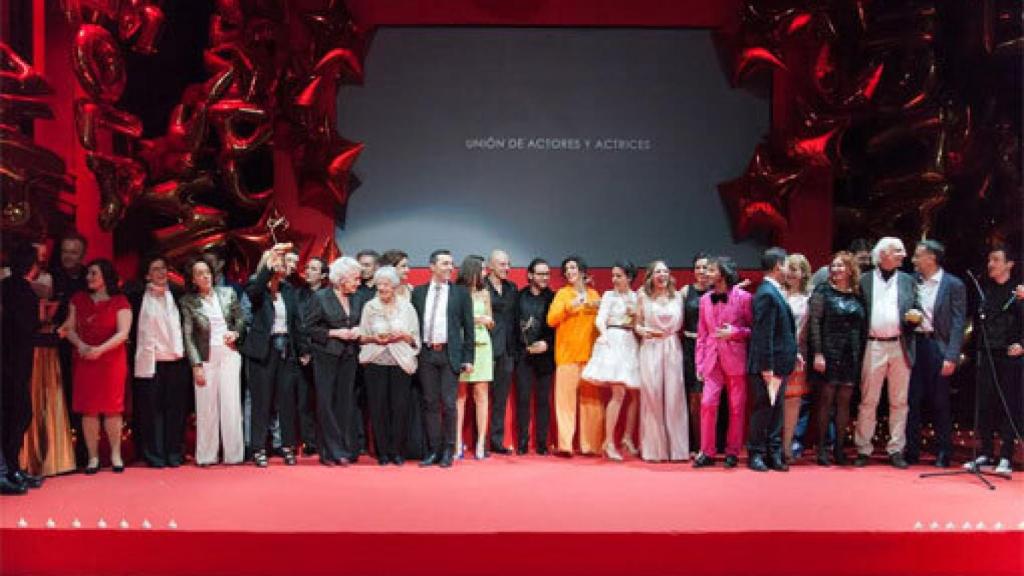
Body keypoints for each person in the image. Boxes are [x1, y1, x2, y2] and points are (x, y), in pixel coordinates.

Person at [59, 259, 132, 474]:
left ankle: (116, 455)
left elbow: (123, 333)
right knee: (88, 410)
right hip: (85, 358)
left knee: (112, 409)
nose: (89, 277)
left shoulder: (120, 301)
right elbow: (69, 328)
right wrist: (81, 345)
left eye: (94, 273)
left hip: (111, 361)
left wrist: (100, 349)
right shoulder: (78, 299)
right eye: (89, 273)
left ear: (105, 276)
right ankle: (93, 458)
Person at [854, 237, 920, 469]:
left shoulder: (908, 281)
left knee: (900, 401)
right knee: (868, 400)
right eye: (898, 251)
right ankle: (863, 448)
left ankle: (896, 449)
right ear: (883, 254)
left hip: (900, 345)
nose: (904, 254)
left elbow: (917, 309)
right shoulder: (863, 280)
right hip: (873, 345)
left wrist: (915, 318)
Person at [241, 244, 307, 467]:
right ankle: (258, 448)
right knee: (261, 401)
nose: (282, 266)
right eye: (277, 262)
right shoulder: (256, 286)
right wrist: (267, 269)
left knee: (286, 401)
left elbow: (296, 322)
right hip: (263, 350)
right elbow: (254, 294)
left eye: (283, 262)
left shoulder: (288, 290)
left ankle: (287, 446)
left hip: (286, 348)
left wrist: (303, 349)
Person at [904, 240, 966, 468]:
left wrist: (951, 355)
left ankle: (943, 451)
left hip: (938, 347)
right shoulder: (912, 282)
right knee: (912, 400)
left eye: (918, 255)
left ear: (931, 258)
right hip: (915, 344)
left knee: (940, 402)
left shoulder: (953, 284)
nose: (913, 260)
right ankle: (911, 451)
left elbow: (959, 322)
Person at [180, 255, 245, 467]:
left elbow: (241, 320)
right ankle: (207, 455)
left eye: (207, 272)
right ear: (193, 279)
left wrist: (235, 333)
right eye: (199, 273)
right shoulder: (188, 302)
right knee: (206, 407)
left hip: (229, 353)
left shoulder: (228, 294)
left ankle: (233, 455)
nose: (205, 276)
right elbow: (188, 336)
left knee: (231, 404)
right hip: (205, 356)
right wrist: (196, 365)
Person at [411, 249, 474, 468]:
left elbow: (469, 328)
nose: (450, 268)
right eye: (445, 263)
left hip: (450, 354)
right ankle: (433, 450)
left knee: (449, 404)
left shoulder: (460, 293)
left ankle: (449, 450)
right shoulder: (418, 293)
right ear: (432, 267)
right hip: (426, 354)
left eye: (451, 264)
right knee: (429, 404)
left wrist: (468, 358)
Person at [965, 245, 1023, 477]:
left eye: (996, 260)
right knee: (985, 402)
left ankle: (1006, 455)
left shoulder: (1018, 291)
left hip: (1011, 354)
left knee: (1009, 404)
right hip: (988, 352)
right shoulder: (985, 290)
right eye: (989, 260)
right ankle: (985, 452)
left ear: (1009, 264)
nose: (991, 264)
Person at [128, 254, 190, 468]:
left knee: (176, 409)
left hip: (176, 360)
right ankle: (154, 454)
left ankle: (174, 452)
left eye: (163, 268)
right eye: (155, 269)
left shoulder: (179, 294)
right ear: (147, 275)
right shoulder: (136, 296)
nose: (161, 273)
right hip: (150, 361)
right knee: (151, 410)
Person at [20, 242, 75, 478]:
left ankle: (52, 458)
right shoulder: (10, 281)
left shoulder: (52, 279)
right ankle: (24, 459)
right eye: (36, 254)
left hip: (47, 347)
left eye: (44, 254)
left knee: (48, 398)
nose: (41, 258)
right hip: (27, 347)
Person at [304, 256, 364, 466]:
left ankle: (345, 448)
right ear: (341, 279)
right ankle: (330, 451)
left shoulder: (357, 298)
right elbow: (309, 328)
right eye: (355, 278)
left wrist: (359, 330)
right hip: (326, 355)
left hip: (349, 355)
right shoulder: (321, 297)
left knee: (345, 402)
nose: (358, 282)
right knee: (326, 402)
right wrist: (334, 332)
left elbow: (362, 322)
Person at [809, 252, 866, 466]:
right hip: (829, 351)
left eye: (841, 266)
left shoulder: (858, 294)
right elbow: (815, 322)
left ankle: (840, 448)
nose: (836, 269)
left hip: (851, 353)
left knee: (844, 403)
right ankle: (822, 448)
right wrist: (818, 353)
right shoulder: (822, 290)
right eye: (833, 266)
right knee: (826, 400)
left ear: (850, 269)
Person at [693, 257, 751, 468]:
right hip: (711, 359)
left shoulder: (744, 298)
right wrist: (699, 363)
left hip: (736, 359)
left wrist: (735, 332)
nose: (706, 273)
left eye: (711, 270)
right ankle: (706, 451)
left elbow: (753, 330)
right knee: (707, 404)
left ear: (723, 273)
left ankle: (732, 451)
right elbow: (702, 334)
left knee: (736, 407)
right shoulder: (704, 300)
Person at [359, 266, 420, 465]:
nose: (382, 288)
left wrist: (402, 336)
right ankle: (382, 452)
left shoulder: (407, 307)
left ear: (394, 286)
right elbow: (361, 337)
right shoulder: (370, 306)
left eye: (386, 284)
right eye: (379, 285)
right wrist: (374, 338)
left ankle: (397, 451)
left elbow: (415, 338)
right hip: (375, 361)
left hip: (400, 362)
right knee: (378, 408)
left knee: (399, 408)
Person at [746, 248, 799, 472]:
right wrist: (766, 366)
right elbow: (763, 333)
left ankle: (773, 452)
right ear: (778, 265)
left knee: (776, 409)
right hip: (769, 365)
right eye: (786, 265)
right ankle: (756, 453)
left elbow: (781, 330)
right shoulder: (766, 293)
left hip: (780, 362)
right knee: (764, 409)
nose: (788, 270)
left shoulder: (775, 291)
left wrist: (794, 353)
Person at [582, 261, 640, 461]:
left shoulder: (636, 297)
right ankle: (609, 442)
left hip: (630, 341)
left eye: (619, 275)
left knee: (635, 393)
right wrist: (604, 335)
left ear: (629, 277)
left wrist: (636, 317)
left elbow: (640, 322)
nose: (614, 279)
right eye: (613, 275)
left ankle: (627, 437)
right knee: (619, 392)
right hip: (613, 340)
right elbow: (600, 319)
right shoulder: (608, 295)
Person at [547, 255, 603, 456]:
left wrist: (599, 307)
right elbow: (551, 319)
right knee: (565, 402)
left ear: (582, 271)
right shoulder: (563, 294)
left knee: (591, 403)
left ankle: (590, 445)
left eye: (573, 267)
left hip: (590, 357)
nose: (570, 271)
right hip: (567, 356)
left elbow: (602, 323)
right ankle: (566, 445)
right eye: (567, 269)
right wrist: (570, 306)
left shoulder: (594, 294)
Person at [635, 260, 689, 462]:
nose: (662, 275)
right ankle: (654, 450)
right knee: (653, 396)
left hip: (672, 347)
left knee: (675, 397)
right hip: (651, 347)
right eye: (658, 271)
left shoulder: (678, 296)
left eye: (665, 271)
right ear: (650, 275)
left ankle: (678, 450)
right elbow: (637, 324)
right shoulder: (643, 295)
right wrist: (643, 331)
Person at [2, 243, 43, 488]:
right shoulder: (25, 293)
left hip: (9, 361)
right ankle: (10, 469)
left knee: (13, 416)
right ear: (32, 267)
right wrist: (55, 335)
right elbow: (26, 331)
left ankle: (12, 468)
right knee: (19, 415)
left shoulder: (5, 287)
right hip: (15, 363)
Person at [50, 232, 88, 468]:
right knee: (60, 398)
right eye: (65, 251)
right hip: (56, 349)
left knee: (83, 401)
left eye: (73, 252)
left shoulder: (90, 277)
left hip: (85, 349)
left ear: (82, 254)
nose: (68, 256)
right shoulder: (50, 277)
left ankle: (85, 454)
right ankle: (60, 456)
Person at [455, 255, 494, 460]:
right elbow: (454, 320)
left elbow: (491, 322)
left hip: (483, 345)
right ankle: (457, 443)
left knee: (481, 396)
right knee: (459, 397)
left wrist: (485, 321)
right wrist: (475, 319)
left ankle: (480, 443)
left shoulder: (484, 294)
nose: (486, 272)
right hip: (462, 345)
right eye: (482, 269)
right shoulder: (457, 293)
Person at [515, 258, 556, 455]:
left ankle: (542, 444)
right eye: (540, 274)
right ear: (530, 275)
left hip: (546, 357)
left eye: (547, 274)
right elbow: (513, 326)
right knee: (522, 400)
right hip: (523, 356)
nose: (544, 278)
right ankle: (522, 442)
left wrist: (546, 344)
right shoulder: (519, 296)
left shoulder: (554, 298)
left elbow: (558, 329)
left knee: (543, 401)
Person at [485, 249, 518, 455]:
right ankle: (477, 441)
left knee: (500, 399)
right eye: (502, 264)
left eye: (508, 264)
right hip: (485, 349)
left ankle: (496, 441)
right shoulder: (481, 287)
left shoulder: (512, 288)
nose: (506, 268)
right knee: (479, 397)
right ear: (490, 266)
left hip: (506, 351)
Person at [294, 256, 328, 455]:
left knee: (324, 400)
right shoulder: (297, 294)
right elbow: (297, 325)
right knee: (304, 401)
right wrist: (303, 351)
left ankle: (325, 441)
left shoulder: (329, 295)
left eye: (314, 269)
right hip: (301, 356)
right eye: (307, 268)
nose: (307, 271)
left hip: (324, 354)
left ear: (323, 275)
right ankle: (309, 442)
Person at [781, 253, 812, 463]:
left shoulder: (809, 299)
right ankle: (772, 444)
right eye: (788, 268)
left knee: (793, 402)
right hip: (778, 355)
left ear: (803, 273)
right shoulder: (777, 293)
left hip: (798, 356)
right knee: (774, 402)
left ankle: (787, 446)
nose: (791, 273)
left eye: (795, 269)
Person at [681, 252, 712, 453]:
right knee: (693, 398)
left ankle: (710, 444)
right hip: (690, 347)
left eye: (706, 268)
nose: (701, 271)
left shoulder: (718, 292)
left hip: (711, 349)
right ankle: (695, 445)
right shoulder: (686, 291)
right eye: (698, 267)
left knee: (709, 399)